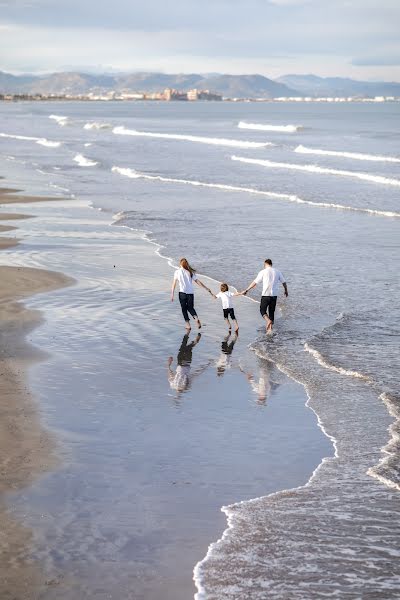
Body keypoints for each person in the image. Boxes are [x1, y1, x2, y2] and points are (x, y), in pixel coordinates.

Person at [242, 258, 288, 333]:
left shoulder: (263, 272)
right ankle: (270, 331)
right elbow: (284, 282)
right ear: (271, 264)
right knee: (271, 312)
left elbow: (255, 282)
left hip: (265, 295)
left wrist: (247, 290)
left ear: (265, 264)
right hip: (274, 295)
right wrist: (286, 290)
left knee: (262, 310)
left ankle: (268, 321)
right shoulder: (277, 271)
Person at [171, 258, 212, 331]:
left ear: (180, 264)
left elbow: (174, 284)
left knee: (184, 309)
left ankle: (188, 325)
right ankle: (196, 318)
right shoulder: (190, 272)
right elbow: (198, 281)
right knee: (190, 308)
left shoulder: (177, 272)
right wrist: (206, 288)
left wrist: (172, 294)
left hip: (182, 293)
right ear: (186, 264)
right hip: (190, 293)